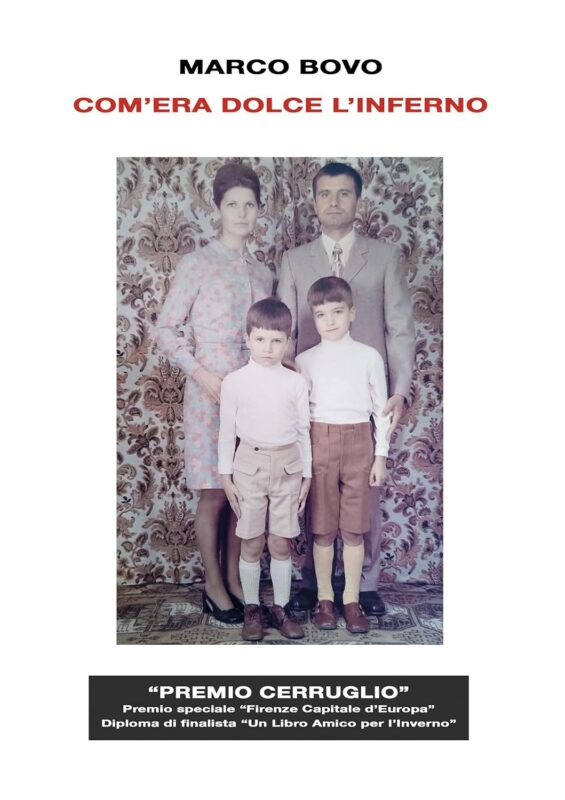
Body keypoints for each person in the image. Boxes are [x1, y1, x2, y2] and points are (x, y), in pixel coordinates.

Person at [277, 162, 415, 616]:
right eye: (325, 194)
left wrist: (400, 389)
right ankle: (314, 585)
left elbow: (399, 328)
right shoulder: (295, 260)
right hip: (315, 400)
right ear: (314, 202)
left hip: (366, 395)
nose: (334, 202)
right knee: (313, 493)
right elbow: (286, 331)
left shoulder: (384, 257)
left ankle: (364, 585)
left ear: (358, 200)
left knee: (364, 496)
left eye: (343, 193)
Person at [155, 163, 272, 623]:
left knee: (245, 489)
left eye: (250, 205)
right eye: (232, 205)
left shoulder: (263, 272)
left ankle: (236, 577)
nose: (242, 213)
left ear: (259, 210)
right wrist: (199, 373)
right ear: (218, 209)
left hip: (254, 394)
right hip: (210, 392)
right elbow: (166, 329)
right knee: (214, 492)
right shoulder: (197, 264)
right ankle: (213, 583)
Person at [296, 277, 390, 634]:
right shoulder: (305, 361)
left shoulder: (369, 356)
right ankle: (324, 598)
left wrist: (380, 457)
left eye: (338, 312)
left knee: (353, 529)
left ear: (352, 312)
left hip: (359, 444)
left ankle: (350, 599)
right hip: (319, 442)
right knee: (322, 528)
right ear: (314, 318)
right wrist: (305, 463)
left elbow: (381, 411)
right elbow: (300, 418)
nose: (330, 320)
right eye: (321, 314)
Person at [218, 298, 311, 641]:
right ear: (247, 339)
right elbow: (226, 433)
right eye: (260, 339)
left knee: (281, 542)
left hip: (288, 466)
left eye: (276, 340)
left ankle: (281, 609)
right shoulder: (234, 382)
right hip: (249, 467)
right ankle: (252, 609)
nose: (267, 348)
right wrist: (225, 476)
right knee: (252, 542)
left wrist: (307, 475)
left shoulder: (295, 382)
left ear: (287, 341)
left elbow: (303, 431)